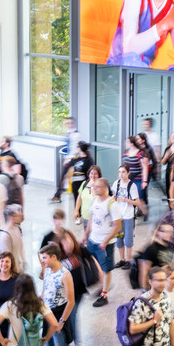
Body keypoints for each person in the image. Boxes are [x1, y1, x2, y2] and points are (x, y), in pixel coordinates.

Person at [37, 243, 78, 346]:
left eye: (45, 258)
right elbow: (44, 292)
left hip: (58, 318)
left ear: (54, 256)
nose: (43, 261)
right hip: (47, 318)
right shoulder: (47, 271)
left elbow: (71, 301)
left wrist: (61, 321)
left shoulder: (65, 275)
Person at [84, 178, 122, 307]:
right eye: (94, 187)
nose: (94, 189)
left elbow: (117, 226)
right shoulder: (94, 200)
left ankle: (104, 295)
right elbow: (91, 219)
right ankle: (102, 285)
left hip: (105, 243)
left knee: (106, 269)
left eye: (97, 187)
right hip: (92, 240)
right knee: (92, 264)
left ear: (105, 188)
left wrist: (105, 241)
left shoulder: (112, 204)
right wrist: (86, 235)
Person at [113, 164, 142, 269]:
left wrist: (126, 200)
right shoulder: (116, 183)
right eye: (120, 172)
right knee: (119, 239)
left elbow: (137, 202)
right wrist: (113, 198)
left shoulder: (132, 186)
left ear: (128, 173)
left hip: (128, 216)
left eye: (123, 172)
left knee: (128, 239)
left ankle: (128, 260)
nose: (121, 174)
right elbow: (114, 196)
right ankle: (122, 259)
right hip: (118, 216)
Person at [50, 117, 81, 203]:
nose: (68, 125)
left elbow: (74, 148)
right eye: (67, 123)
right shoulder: (69, 133)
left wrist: (68, 159)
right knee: (64, 177)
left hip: (72, 159)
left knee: (64, 176)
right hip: (69, 158)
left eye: (69, 123)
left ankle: (57, 195)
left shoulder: (76, 135)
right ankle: (57, 195)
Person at [135, 223, 174, 289]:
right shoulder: (151, 249)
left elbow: (170, 262)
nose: (170, 234)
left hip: (166, 282)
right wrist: (144, 289)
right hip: (156, 284)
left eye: (172, 232)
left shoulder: (170, 245)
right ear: (158, 232)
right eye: (167, 232)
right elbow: (144, 272)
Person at [0, 204, 27, 270]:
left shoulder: (17, 228)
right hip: (10, 269)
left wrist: (23, 260)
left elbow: (20, 246)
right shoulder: (4, 235)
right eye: (18, 215)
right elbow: (5, 256)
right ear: (11, 217)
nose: (21, 217)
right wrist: (13, 268)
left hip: (18, 266)